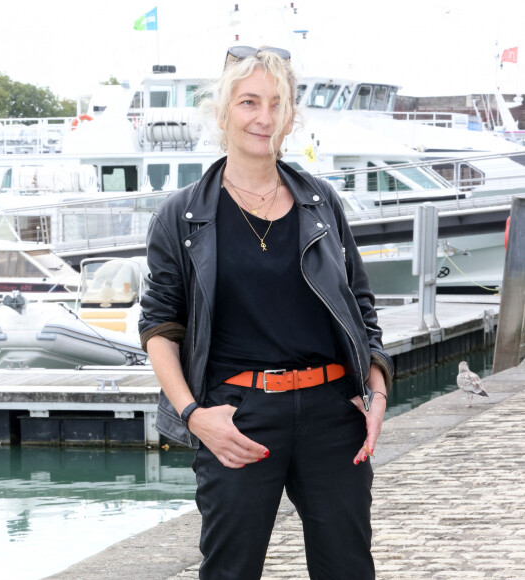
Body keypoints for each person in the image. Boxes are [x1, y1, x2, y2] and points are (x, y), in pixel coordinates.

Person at [139, 45, 393, 580]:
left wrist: (377, 392)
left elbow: (360, 305)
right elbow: (159, 326)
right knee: (230, 571)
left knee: (348, 568)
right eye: (249, 102)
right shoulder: (182, 215)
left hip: (332, 413)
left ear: (291, 115)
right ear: (222, 111)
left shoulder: (320, 200)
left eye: (277, 104)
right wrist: (193, 416)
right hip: (237, 415)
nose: (264, 118)